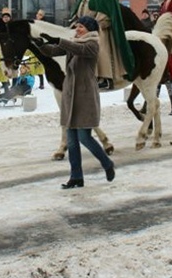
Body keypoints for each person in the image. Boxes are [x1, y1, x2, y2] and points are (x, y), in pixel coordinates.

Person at [38, 16, 115, 188]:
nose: (78, 29)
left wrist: (59, 40)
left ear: (90, 30)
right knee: (72, 141)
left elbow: (77, 49)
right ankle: (76, 177)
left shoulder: (93, 44)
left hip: (85, 96)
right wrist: (39, 44)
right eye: (77, 26)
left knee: (84, 137)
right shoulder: (74, 43)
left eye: (81, 27)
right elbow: (52, 51)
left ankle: (107, 163)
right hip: (70, 95)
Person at [70, 0, 134, 90]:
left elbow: (108, 15)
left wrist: (94, 25)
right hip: (83, 27)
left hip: (100, 28)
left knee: (100, 47)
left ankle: (105, 77)